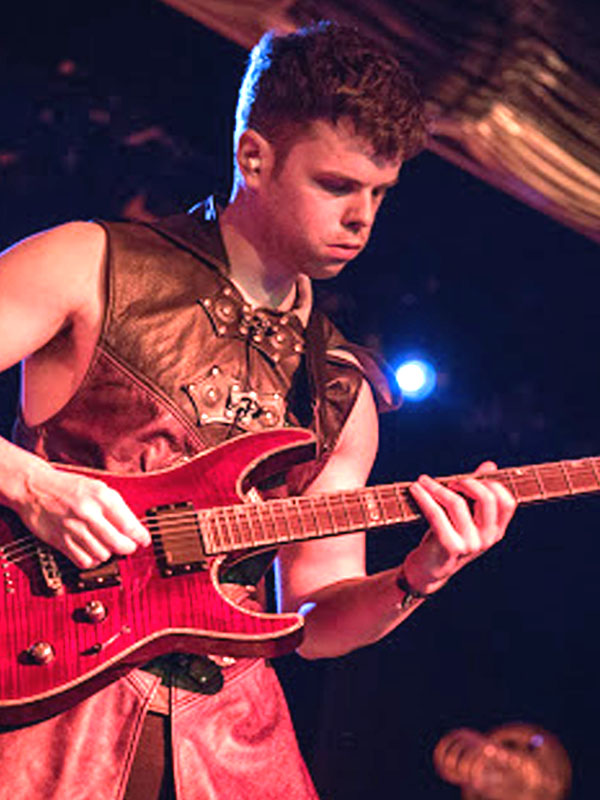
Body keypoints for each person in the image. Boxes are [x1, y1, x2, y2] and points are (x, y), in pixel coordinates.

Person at [0, 21, 517, 800]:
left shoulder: (342, 390)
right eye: (337, 185)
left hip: (228, 742)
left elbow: (315, 616)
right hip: (38, 688)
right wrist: (32, 484)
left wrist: (419, 576)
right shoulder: (87, 262)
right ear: (254, 158)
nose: (362, 218)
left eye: (380, 193)